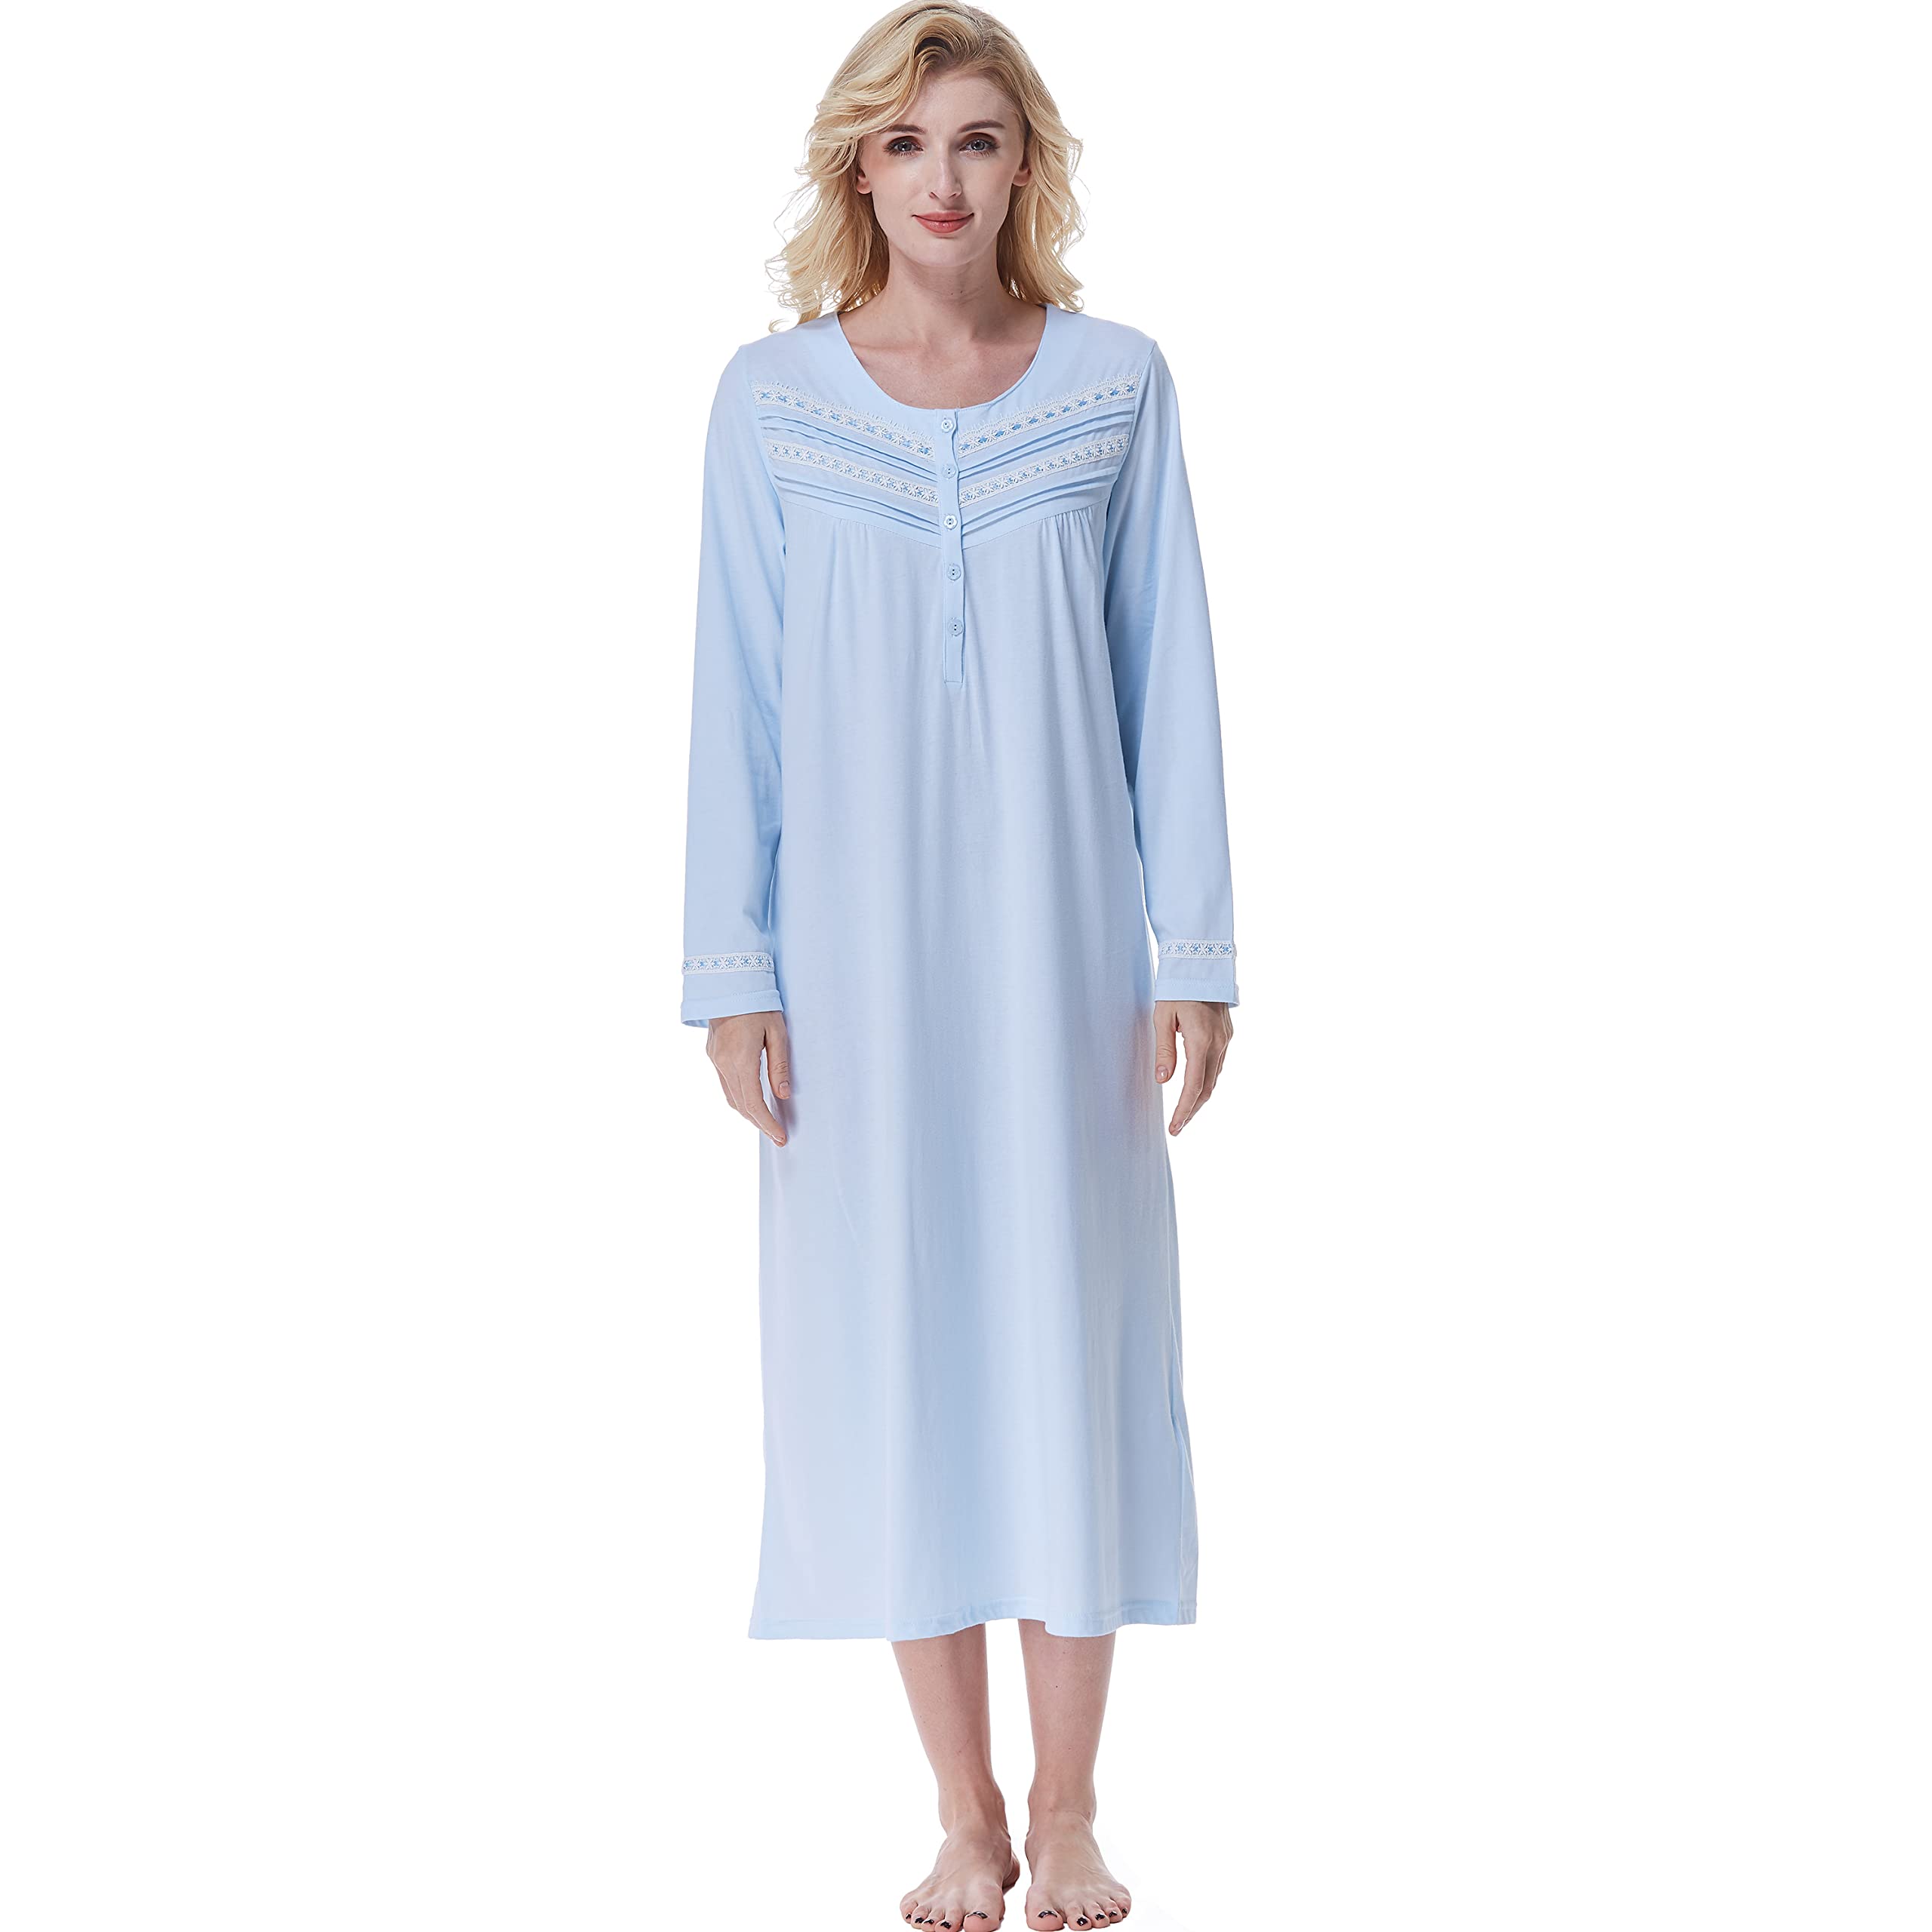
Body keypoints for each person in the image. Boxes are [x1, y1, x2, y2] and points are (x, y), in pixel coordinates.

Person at [679, 7, 1238, 1926]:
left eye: (980, 141)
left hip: (1067, 949)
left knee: (1068, 1341)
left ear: (1025, 167)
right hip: (849, 965)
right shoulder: (769, 402)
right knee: (892, 1342)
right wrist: (730, 967)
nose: (943, 177)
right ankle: (962, 1808)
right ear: (859, 166)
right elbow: (735, 697)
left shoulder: (1114, 385)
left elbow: (1170, 670)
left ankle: (1070, 1806)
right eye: (907, 142)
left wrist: (1195, 946)